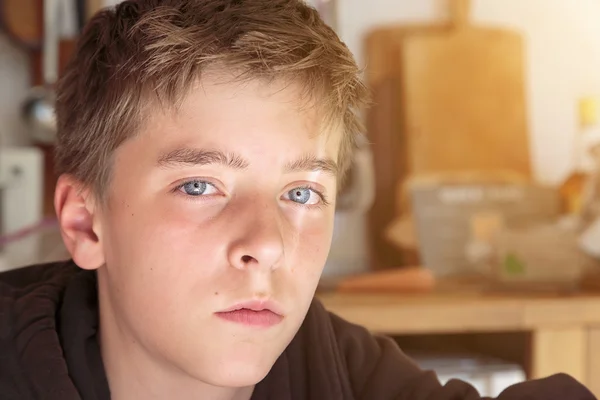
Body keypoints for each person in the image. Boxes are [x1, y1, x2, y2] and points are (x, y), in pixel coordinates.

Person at [0, 1, 596, 399]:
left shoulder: (337, 369)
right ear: (85, 222)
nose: (268, 244)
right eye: (200, 186)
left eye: (302, 192)